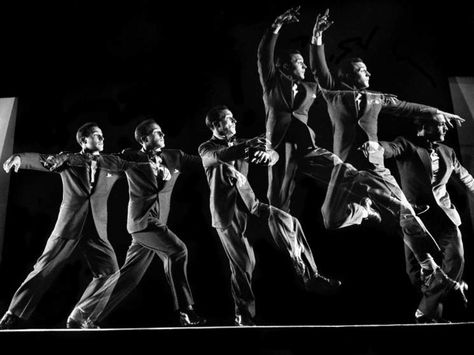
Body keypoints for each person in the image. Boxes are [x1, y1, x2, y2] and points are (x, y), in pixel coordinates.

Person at [310, 9, 466, 284]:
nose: (368, 73)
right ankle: (366, 211)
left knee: (403, 210)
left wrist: (438, 112)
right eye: (362, 71)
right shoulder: (335, 94)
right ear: (349, 74)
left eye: (367, 70)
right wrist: (317, 37)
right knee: (330, 219)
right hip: (343, 166)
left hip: (374, 166)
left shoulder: (378, 98)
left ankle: (428, 264)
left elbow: (406, 107)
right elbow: (319, 70)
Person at [198, 105, 340, 326]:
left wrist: (269, 156)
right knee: (244, 265)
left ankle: (311, 276)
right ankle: (243, 315)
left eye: (233, 118)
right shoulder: (206, 148)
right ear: (216, 125)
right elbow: (219, 156)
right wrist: (247, 146)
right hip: (227, 215)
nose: (234, 121)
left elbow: (269, 154)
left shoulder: (242, 143)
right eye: (228, 119)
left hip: (252, 206)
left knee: (290, 222)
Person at [67, 118, 206, 328]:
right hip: (142, 223)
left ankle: (82, 315)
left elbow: (207, 161)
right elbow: (105, 160)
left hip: (156, 224)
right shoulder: (131, 156)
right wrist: (68, 159)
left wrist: (237, 157)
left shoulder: (174, 155)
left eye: (162, 132)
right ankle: (186, 310)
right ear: (144, 138)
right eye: (157, 133)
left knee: (128, 279)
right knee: (178, 251)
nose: (163, 136)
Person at [0, 122, 134, 329]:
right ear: (83, 140)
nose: (102, 140)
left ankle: (80, 317)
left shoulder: (112, 162)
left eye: (102, 136)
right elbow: (43, 160)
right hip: (69, 225)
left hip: (95, 229)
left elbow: (135, 164)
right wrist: (20, 158)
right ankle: (13, 313)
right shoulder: (68, 159)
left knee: (110, 272)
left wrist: (156, 166)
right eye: (97, 136)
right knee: (44, 269)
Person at [257, 6, 380, 225]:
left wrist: (317, 36)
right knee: (277, 202)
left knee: (344, 171)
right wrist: (276, 26)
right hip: (279, 147)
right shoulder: (272, 83)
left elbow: (321, 71)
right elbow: (264, 54)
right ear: (284, 65)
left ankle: (375, 204)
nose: (304, 65)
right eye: (298, 62)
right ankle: (292, 250)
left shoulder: (311, 88)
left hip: (306, 147)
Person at [380, 113, 469, 323]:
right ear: (423, 128)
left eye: (446, 126)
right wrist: (376, 148)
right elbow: (390, 149)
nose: (446, 129)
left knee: (456, 260)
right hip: (416, 220)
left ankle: (425, 312)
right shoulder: (407, 145)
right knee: (416, 276)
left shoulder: (448, 151)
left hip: (445, 218)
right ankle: (434, 315)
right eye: (440, 125)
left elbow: (465, 177)